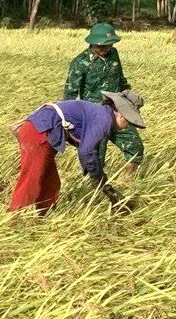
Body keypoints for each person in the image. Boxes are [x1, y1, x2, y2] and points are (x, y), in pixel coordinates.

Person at [9, 90, 145, 215]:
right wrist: (97, 176)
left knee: (51, 182)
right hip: (39, 132)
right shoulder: (104, 120)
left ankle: (44, 216)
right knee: (32, 178)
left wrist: (96, 175)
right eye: (129, 122)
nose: (127, 127)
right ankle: (15, 217)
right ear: (122, 116)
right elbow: (86, 151)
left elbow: (86, 148)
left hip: (42, 131)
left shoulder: (100, 113)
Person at [63, 22, 142, 176]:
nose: (106, 49)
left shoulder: (114, 54)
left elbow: (120, 79)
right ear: (92, 43)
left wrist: (129, 96)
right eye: (102, 46)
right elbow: (70, 94)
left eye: (109, 45)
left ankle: (128, 181)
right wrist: (70, 121)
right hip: (95, 116)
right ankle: (94, 192)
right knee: (95, 157)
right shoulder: (80, 63)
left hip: (118, 111)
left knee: (135, 147)